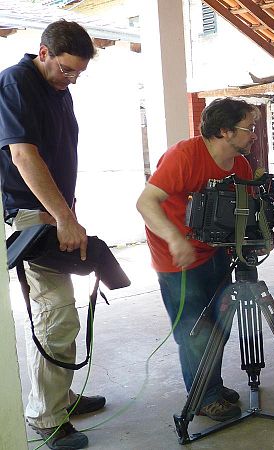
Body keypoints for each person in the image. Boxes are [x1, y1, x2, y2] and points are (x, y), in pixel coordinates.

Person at [0, 20, 103, 449]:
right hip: (30, 217)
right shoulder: (16, 83)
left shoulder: (58, 90)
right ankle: (45, 415)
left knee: (57, 312)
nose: (72, 79)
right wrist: (63, 217)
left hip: (57, 214)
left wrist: (68, 214)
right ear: (43, 53)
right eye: (66, 69)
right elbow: (24, 156)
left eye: (79, 72)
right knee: (56, 313)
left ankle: (58, 396)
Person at [136, 98, 258, 422]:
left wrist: (257, 240)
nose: (254, 135)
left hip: (216, 251)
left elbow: (246, 213)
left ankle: (210, 385)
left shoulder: (241, 166)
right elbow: (146, 202)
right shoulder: (184, 156)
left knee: (219, 325)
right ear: (225, 131)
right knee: (195, 329)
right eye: (249, 128)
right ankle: (204, 397)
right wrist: (174, 238)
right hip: (176, 255)